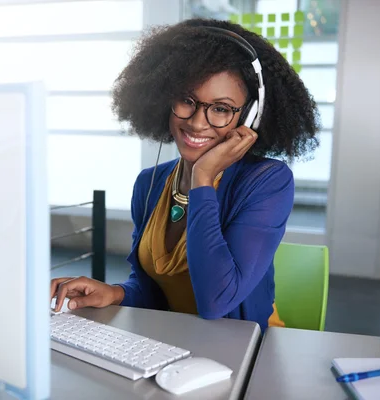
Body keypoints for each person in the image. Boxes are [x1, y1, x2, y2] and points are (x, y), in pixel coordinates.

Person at [51, 18, 319, 332]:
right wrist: (115, 293)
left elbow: (215, 301)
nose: (196, 122)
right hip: (174, 339)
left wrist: (202, 178)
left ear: (250, 116)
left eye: (221, 108)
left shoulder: (266, 182)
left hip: (246, 348)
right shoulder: (149, 184)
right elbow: (153, 289)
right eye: (187, 100)